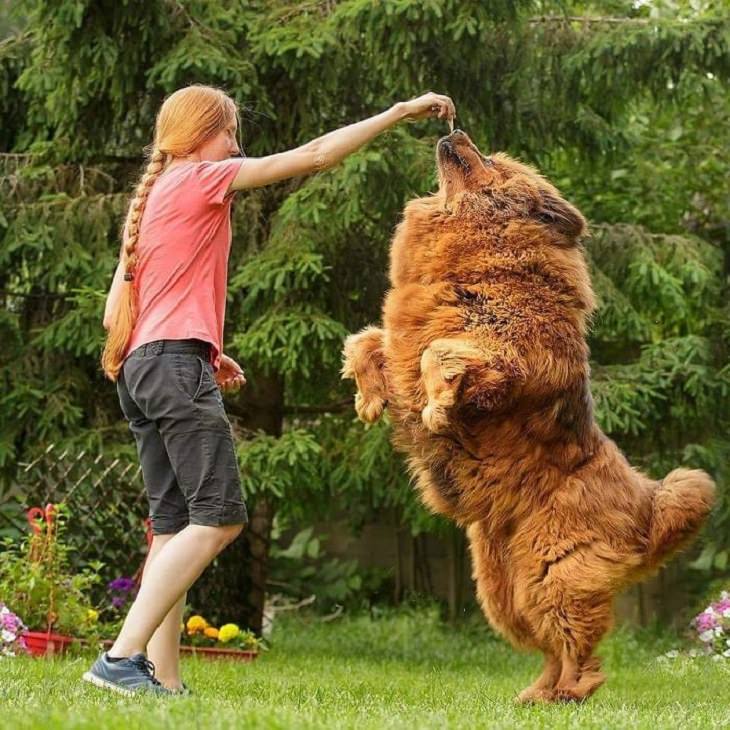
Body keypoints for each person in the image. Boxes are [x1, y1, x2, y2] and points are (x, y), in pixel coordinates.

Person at [85, 84, 456, 696]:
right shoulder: (203, 177)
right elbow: (312, 157)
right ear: (201, 134)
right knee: (220, 519)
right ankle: (120, 659)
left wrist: (201, 344)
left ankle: (163, 682)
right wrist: (395, 113)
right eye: (229, 132)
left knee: (174, 529)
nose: (236, 145)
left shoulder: (150, 202)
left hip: (141, 368)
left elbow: (112, 314)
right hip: (170, 367)